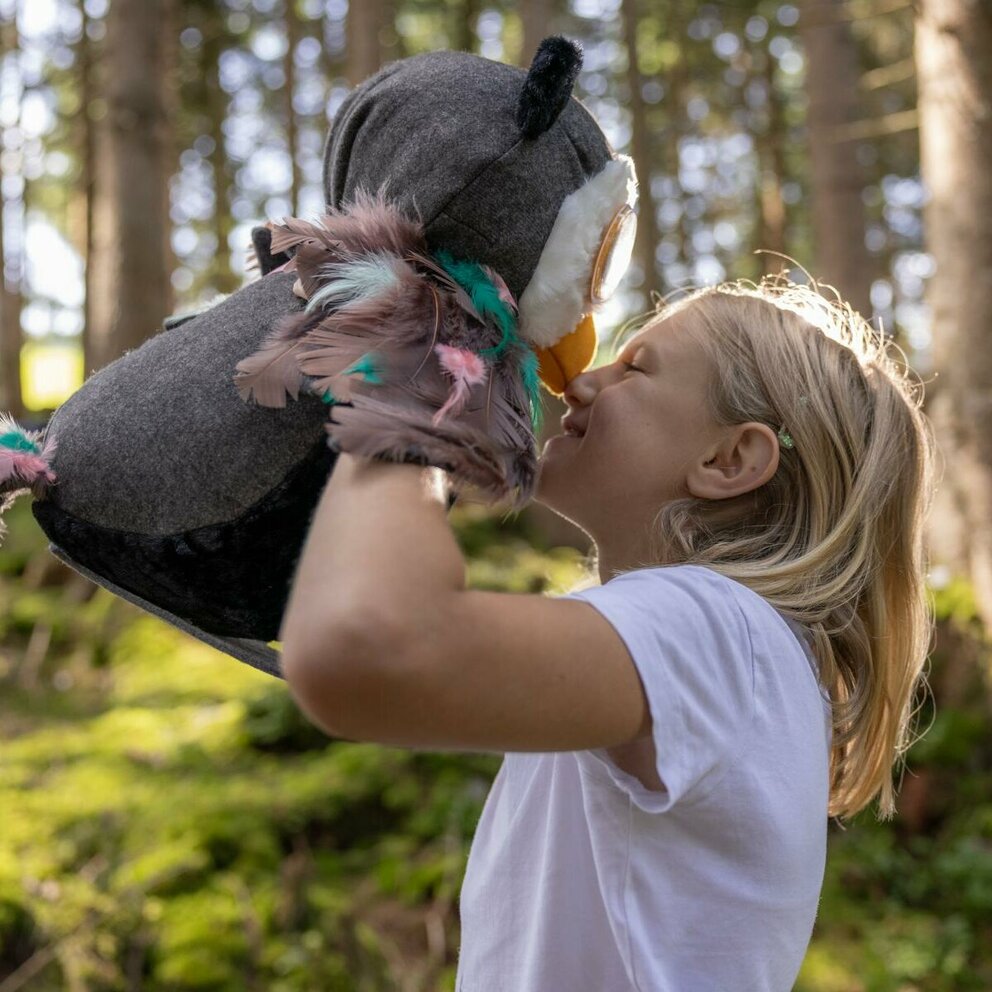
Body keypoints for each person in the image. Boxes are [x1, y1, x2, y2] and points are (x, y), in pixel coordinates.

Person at [278, 273, 939, 991]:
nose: (581, 384)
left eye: (636, 369)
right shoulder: (733, 650)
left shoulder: (720, 632)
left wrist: (417, 391)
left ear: (729, 460)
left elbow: (369, 645)